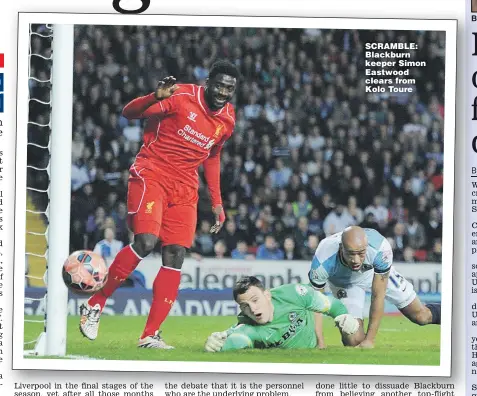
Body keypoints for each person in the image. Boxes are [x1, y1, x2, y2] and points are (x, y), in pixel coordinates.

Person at [79, 60, 240, 349]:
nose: (223, 92)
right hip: (152, 172)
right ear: (208, 83)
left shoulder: (227, 118)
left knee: (176, 255)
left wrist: (216, 201)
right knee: (146, 242)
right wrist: (155, 97)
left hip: (186, 187)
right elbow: (129, 113)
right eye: (219, 85)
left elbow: (213, 157)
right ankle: (95, 303)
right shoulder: (179, 97)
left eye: (229, 88)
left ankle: (149, 335)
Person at [308, 226, 441, 349]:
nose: (356, 260)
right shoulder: (322, 259)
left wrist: (370, 340)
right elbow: (316, 302)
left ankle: (452, 314)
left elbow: (378, 296)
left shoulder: (380, 248)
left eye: (361, 254)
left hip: (372, 273)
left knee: (422, 316)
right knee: (354, 340)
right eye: (351, 254)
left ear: (366, 247)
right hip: (345, 284)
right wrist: (320, 341)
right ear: (341, 247)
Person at [203, 276, 359, 352]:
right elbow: (235, 339)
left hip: (312, 345)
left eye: (255, 300)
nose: (253, 309)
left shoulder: (294, 294)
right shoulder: (247, 328)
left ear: (267, 295)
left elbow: (331, 305)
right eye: (245, 306)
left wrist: (343, 316)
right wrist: (216, 345)